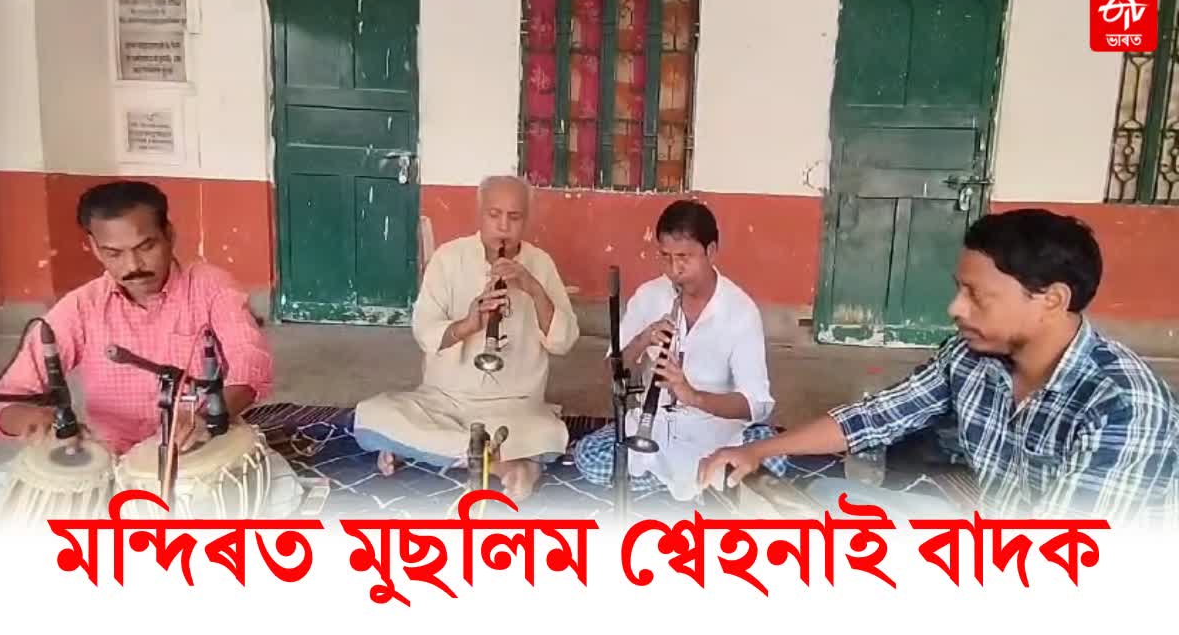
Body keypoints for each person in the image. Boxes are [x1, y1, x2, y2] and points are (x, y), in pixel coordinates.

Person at [699, 209, 1178, 525]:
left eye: (976, 296)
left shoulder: (1124, 409)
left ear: (1051, 300)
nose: (955, 308)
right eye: (959, 288)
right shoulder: (973, 357)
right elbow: (877, 417)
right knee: (831, 503)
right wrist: (759, 451)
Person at [0, 180, 305, 520]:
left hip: (200, 450)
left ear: (169, 234)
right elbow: (6, 398)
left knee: (277, 502)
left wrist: (209, 414)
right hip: (112, 462)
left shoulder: (211, 288)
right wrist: (32, 419)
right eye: (113, 253)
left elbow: (250, 363)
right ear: (92, 246)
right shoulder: (80, 307)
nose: (133, 265)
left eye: (146, 246)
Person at [352, 175, 580, 500]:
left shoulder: (539, 264)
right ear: (480, 214)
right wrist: (469, 324)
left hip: (514, 408)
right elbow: (424, 329)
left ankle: (426, 449)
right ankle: (507, 466)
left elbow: (564, 340)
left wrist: (532, 288)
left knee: (550, 433)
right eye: (494, 215)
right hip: (443, 401)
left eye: (514, 217)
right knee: (372, 414)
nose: (504, 226)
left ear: (526, 219)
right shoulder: (449, 257)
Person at [572, 200, 774, 502]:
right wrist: (642, 340)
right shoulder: (649, 296)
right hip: (652, 428)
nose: (674, 270)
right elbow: (609, 373)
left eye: (685, 257)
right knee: (589, 456)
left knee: (771, 454)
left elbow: (756, 405)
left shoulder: (740, 312)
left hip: (712, 433)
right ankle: (696, 485)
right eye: (665, 257)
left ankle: (677, 484)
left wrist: (692, 395)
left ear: (711, 251)